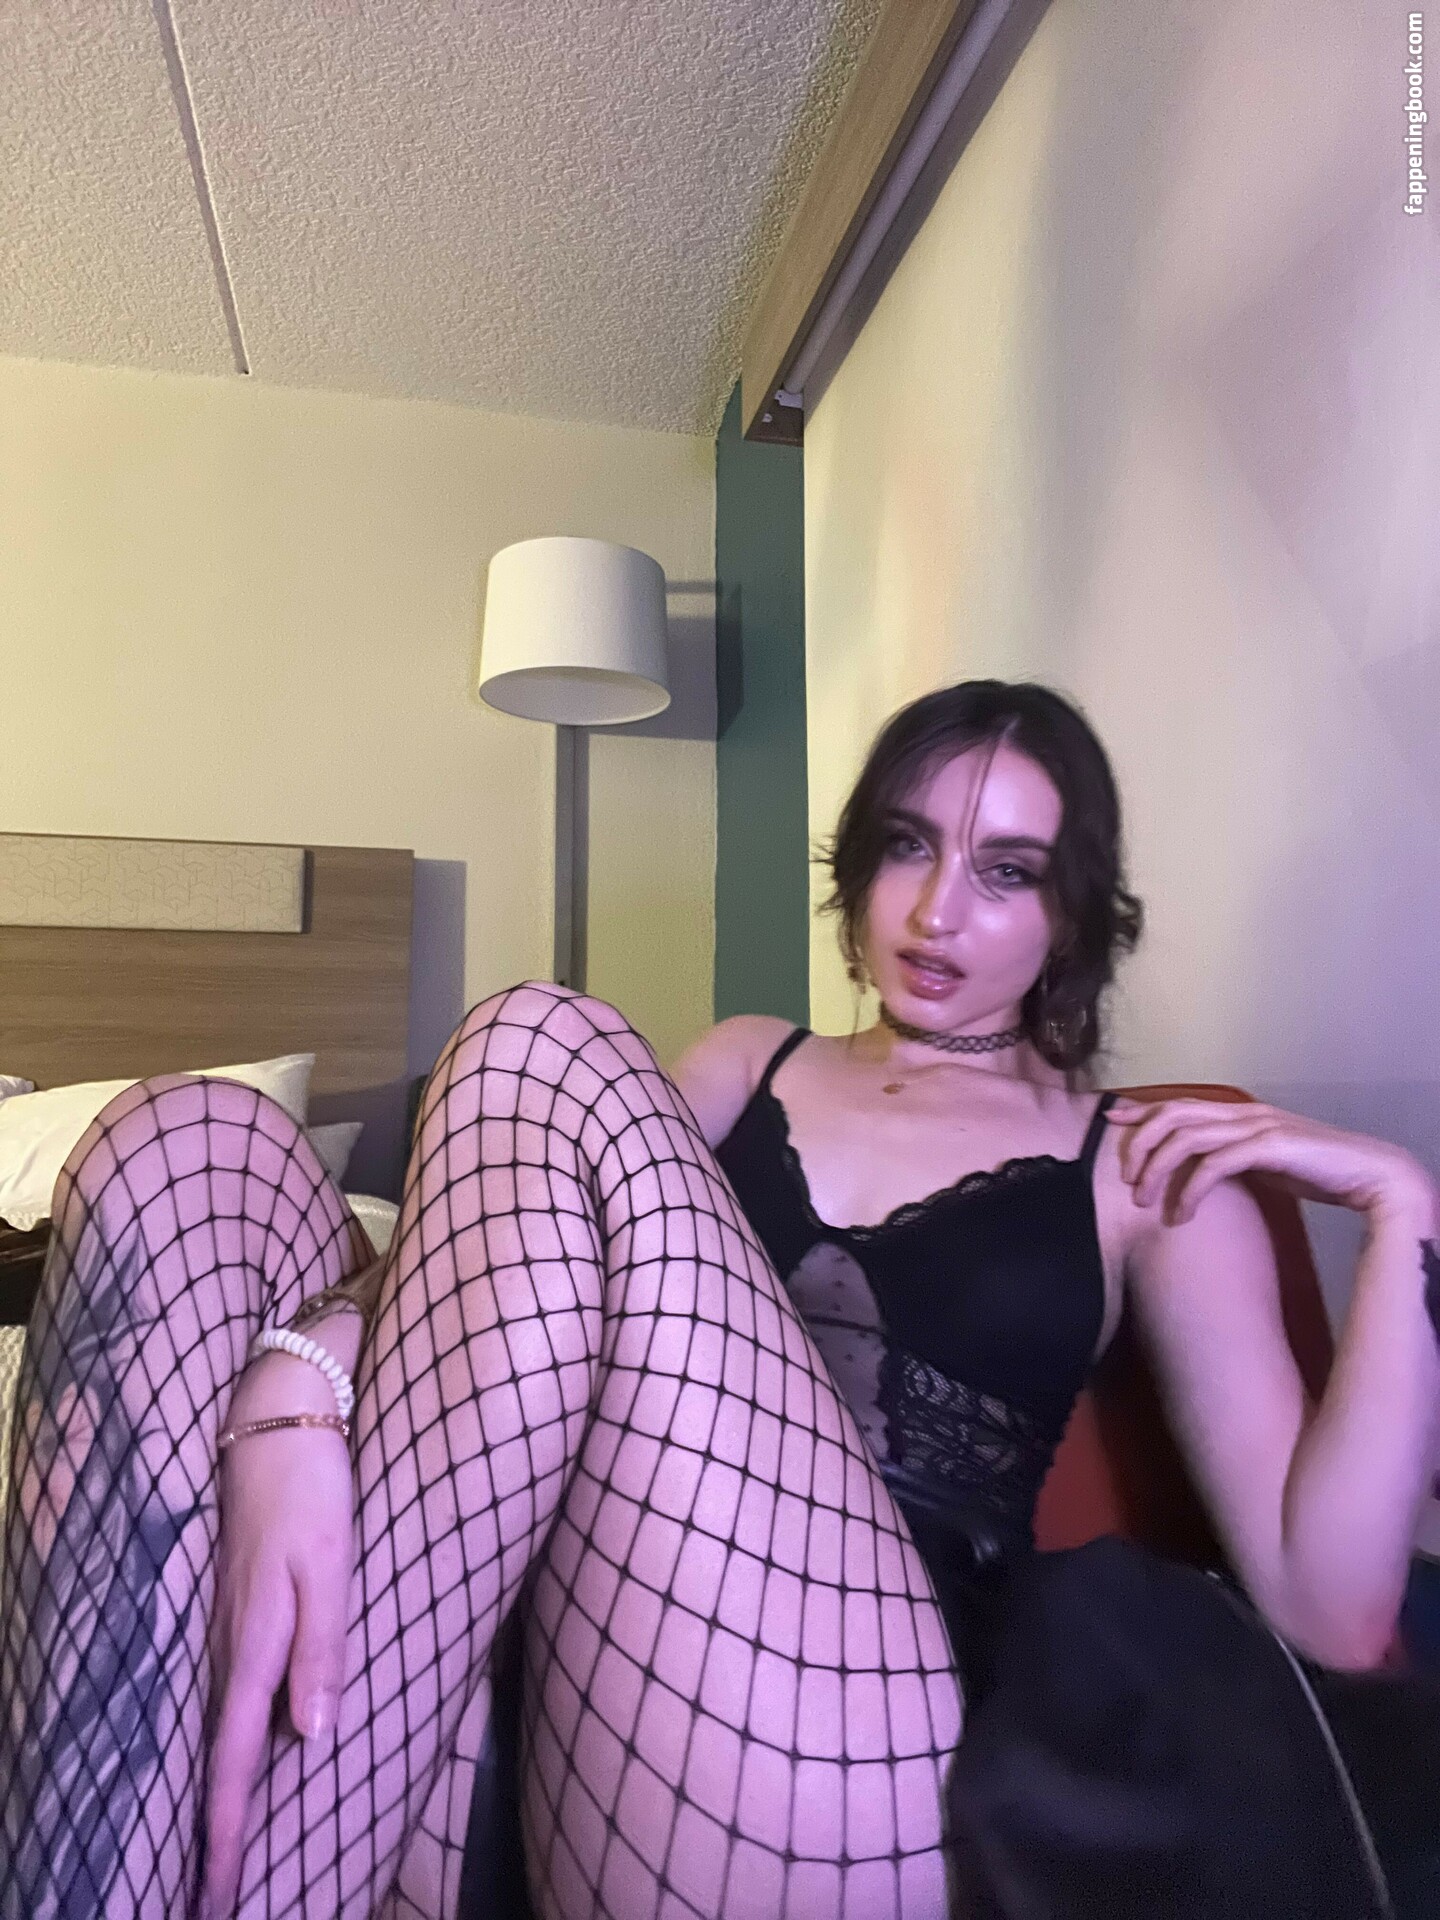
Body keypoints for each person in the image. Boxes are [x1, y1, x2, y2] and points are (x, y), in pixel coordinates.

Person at [3, 680, 1438, 1920]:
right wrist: (301, 1376)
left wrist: (1403, 1210)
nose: (938, 909)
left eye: (1007, 870)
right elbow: (494, 1245)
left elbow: (1331, 1603)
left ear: (1072, 912)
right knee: (185, 1146)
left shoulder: (1139, 1164)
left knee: (537, 1043)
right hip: (528, 1647)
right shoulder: (752, 1060)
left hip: (840, 1730)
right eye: (908, 845)